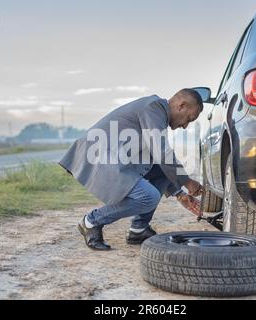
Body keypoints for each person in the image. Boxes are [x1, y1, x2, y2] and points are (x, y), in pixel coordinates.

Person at [59, 89, 204, 250]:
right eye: (189, 119)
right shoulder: (153, 108)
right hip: (99, 157)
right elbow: (162, 153)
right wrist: (187, 181)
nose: (185, 126)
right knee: (148, 197)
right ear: (181, 106)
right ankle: (91, 221)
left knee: (163, 172)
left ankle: (138, 229)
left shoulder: (157, 115)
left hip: (116, 159)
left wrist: (180, 194)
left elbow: (159, 161)